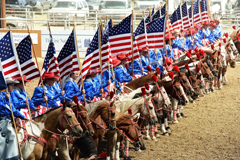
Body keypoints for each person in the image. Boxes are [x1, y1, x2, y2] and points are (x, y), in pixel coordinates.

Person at [0, 77, 27, 160]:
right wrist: (6, 99)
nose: (13, 87)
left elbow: (13, 109)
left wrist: (23, 117)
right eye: (11, 85)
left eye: (13, 85)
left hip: (9, 119)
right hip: (2, 120)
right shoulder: (2, 96)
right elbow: (1, 107)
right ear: (6, 86)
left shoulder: (8, 96)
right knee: (12, 135)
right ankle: (10, 157)